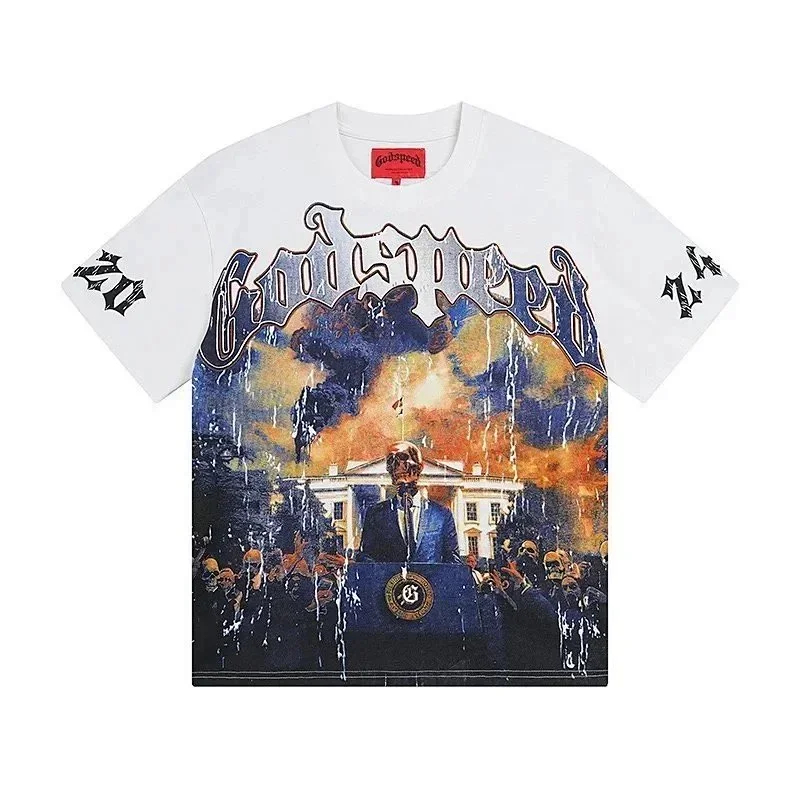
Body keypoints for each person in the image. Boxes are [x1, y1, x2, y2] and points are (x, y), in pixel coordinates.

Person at [358, 441, 459, 563]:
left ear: (419, 467)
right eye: (391, 461)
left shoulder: (442, 515)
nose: (396, 466)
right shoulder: (376, 513)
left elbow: (453, 562)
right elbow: (366, 557)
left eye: (403, 458)